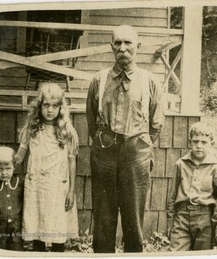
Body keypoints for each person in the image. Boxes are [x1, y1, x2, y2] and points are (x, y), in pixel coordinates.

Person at [86, 24, 164, 253]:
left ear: (137, 46)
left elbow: (156, 123)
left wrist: (138, 146)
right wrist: (107, 143)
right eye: (118, 43)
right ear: (111, 46)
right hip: (104, 154)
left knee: (134, 219)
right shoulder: (98, 80)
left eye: (128, 43)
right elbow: (91, 120)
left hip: (136, 153)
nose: (123, 48)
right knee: (103, 217)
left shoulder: (150, 81)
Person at [0, 82, 80, 252]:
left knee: (57, 231)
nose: (50, 110)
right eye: (46, 105)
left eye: (55, 106)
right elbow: (17, 158)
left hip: (58, 187)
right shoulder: (32, 129)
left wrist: (71, 190)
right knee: (38, 231)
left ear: (61, 108)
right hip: (36, 186)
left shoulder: (67, 131)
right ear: (39, 106)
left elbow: (72, 160)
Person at [166, 122, 217, 251]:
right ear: (189, 142)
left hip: (205, 218)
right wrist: (170, 221)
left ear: (212, 144)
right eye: (195, 141)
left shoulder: (216, 168)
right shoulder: (180, 164)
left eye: (204, 142)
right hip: (182, 216)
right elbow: (172, 195)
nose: (199, 146)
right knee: (175, 253)